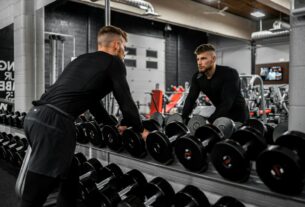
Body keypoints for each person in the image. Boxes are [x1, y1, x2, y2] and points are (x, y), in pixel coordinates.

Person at [20, 25, 149, 207]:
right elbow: (126, 102)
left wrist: (110, 126)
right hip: (54, 123)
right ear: (116, 45)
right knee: (35, 193)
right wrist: (141, 130)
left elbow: (94, 104)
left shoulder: (81, 60)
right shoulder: (114, 62)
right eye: (124, 47)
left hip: (34, 117)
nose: (125, 52)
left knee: (70, 171)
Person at [182, 43, 249, 124]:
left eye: (203, 58)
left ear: (213, 59)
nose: (199, 62)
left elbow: (226, 103)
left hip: (238, 117)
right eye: (198, 59)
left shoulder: (230, 73)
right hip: (220, 115)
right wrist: (183, 118)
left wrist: (209, 121)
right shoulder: (197, 77)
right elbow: (191, 99)